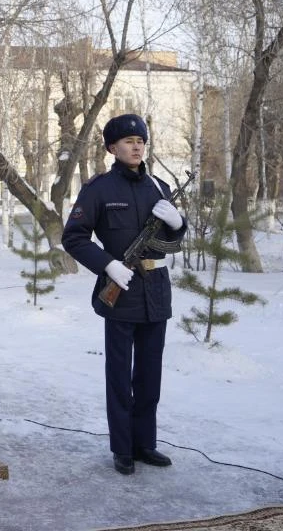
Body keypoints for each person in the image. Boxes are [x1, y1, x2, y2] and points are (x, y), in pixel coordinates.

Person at [61, 113, 187, 476]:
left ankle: (145, 443)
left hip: (156, 294)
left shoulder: (159, 187)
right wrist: (107, 265)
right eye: (129, 141)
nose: (137, 147)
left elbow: (174, 239)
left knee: (150, 375)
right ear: (113, 148)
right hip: (120, 291)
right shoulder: (99, 189)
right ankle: (122, 448)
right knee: (119, 375)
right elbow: (74, 238)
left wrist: (180, 224)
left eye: (141, 141)